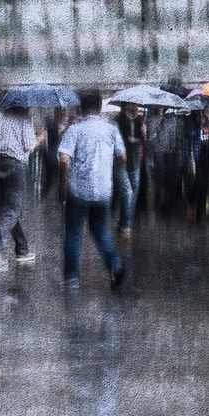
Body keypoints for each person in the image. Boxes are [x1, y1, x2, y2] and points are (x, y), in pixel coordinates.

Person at [58, 91, 126, 289]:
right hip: (104, 191)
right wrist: (106, 164)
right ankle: (115, 264)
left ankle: (72, 279)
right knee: (100, 229)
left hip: (78, 191)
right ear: (100, 109)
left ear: (80, 109)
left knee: (73, 232)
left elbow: (63, 159)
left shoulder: (75, 130)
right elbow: (123, 158)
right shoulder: (111, 129)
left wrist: (63, 184)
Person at [0, 106, 43, 263]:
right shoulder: (23, 118)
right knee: (12, 210)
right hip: (14, 165)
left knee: (8, 208)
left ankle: (22, 249)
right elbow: (28, 146)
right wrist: (40, 138)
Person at [114, 102, 146, 235]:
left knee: (133, 193)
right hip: (120, 162)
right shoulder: (117, 122)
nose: (134, 112)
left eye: (136, 110)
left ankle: (124, 223)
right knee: (127, 192)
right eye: (131, 109)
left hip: (135, 162)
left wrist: (145, 133)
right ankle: (126, 226)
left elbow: (146, 142)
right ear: (124, 110)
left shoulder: (140, 122)